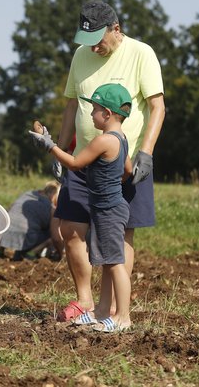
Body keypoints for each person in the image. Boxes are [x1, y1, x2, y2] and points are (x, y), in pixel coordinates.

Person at [52, 0, 166, 322]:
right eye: (88, 42)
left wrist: (146, 152)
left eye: (99, 40)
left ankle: (116, 309)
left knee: (121, 233)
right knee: (71, 227)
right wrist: (62, 150)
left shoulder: (141, 54)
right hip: (83, 159)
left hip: (124, 162)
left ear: (116, 29)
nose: (94, 48)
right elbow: (72, 107)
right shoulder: (80, 56)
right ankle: (86, 301)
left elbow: (157, 107)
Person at [30, 83, 134, 331]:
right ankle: (101, 310)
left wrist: (50, 146)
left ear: (107, 114)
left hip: (108, 210)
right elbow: (128, 170)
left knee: (115, 263)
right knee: (109, 261)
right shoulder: (122, 139)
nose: (90, 114)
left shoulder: (104, 141)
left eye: (94, 109)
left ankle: (123, 317)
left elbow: (76, 163)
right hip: (109, 207)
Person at [0, 180, 62, 261]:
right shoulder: (51, 208)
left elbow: (9, 209)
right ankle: (30, 253)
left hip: (4, 233)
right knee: (51, 232)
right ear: (54, 195)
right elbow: (56, 238)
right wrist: (61, 254)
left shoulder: (28, 194)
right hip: (26, 237)